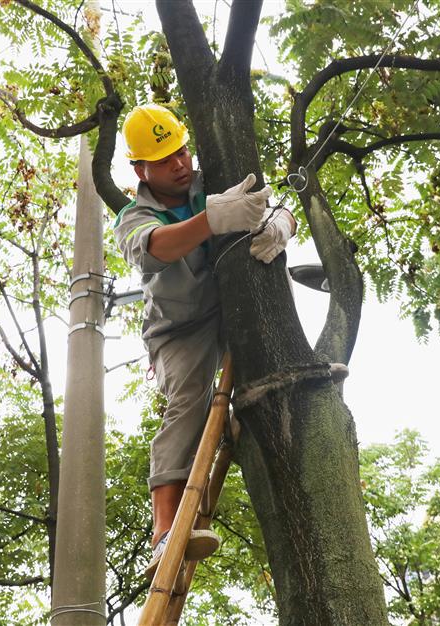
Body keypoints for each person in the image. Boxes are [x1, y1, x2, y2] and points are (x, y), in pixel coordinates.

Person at [112, 104, 296, 581]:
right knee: (189, 402)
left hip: (233, 311)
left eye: (180, 150)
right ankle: (164, 533)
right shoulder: (134, 217)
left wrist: (282, 223)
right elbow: (158, 247)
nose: (179, 163)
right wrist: (211, 220)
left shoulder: (211, 176)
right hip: (178, 331)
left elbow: (269, 201)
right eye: (164, 158)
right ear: (140, 169)